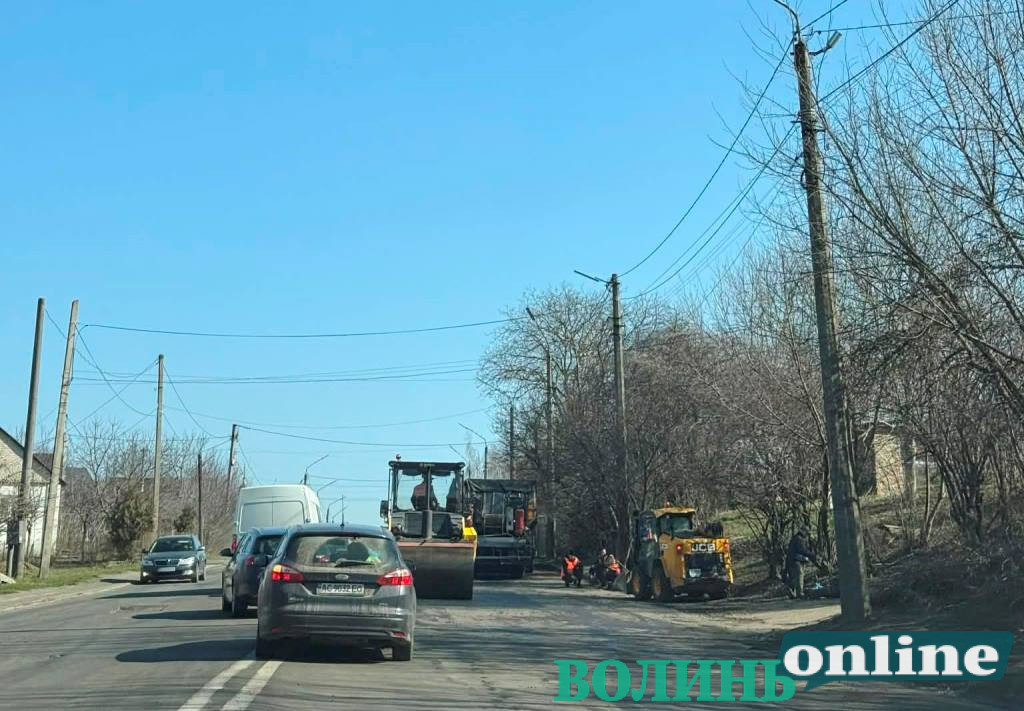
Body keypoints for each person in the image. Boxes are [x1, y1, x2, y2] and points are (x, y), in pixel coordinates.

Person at [784, 527, 816, 599]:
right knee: (799, 576)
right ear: (803, 531)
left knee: (793, 578)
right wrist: (811, 554)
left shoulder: (794, 538)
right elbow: (801, 550)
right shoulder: (799, 539)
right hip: (796, 561)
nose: (807, 535)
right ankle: (800, 593)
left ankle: (792, 593)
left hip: (790, 561)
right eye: (806, 533)